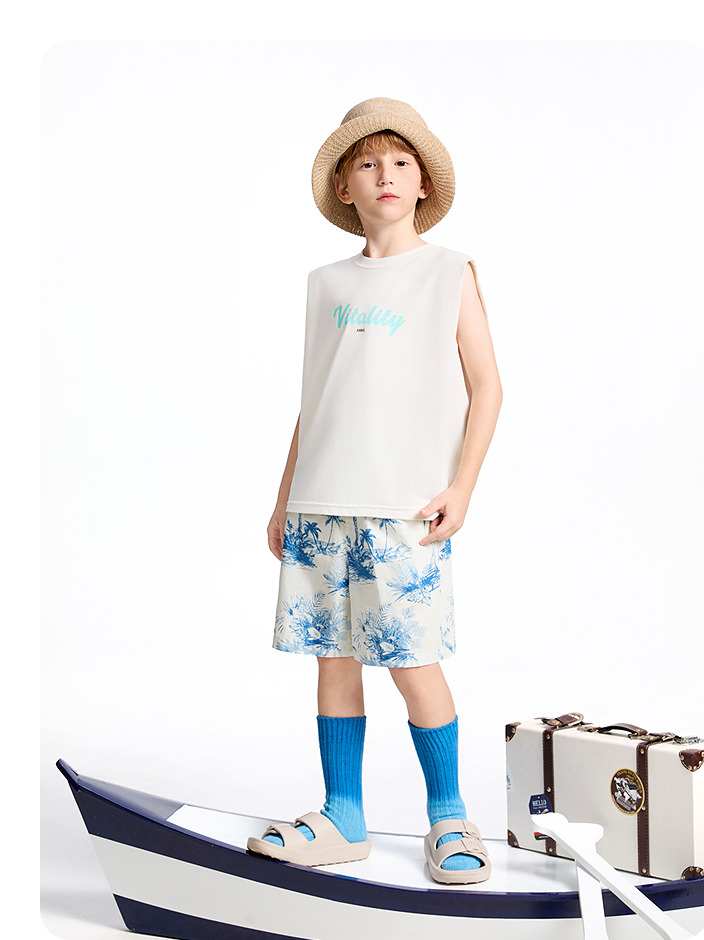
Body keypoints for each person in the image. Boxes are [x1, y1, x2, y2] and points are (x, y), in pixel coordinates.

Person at [246, 97, 503, 885]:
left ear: (422, 183)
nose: (384, 174)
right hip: (320, 501)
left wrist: (462, 487)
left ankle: (449, 815)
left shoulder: (449, 271)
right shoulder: (325, 282)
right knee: (332, 659)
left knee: (412, 660)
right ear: (344, 187)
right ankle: (342, 815)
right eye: (366, 163)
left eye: (399, 162)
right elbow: (315, 399)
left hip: (404, 506)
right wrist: (284, 496)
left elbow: (488, 386)